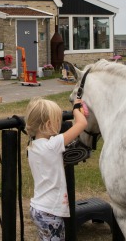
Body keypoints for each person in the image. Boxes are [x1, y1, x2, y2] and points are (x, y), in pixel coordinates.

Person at [25, 97, 88, 241]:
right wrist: (76, 108)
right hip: (50, 212)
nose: (59, 125)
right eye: (57, 121)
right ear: (48, 124)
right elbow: (82, 123)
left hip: (38, 207)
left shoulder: (33, 146)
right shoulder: (53, 145)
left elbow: (50, 165)